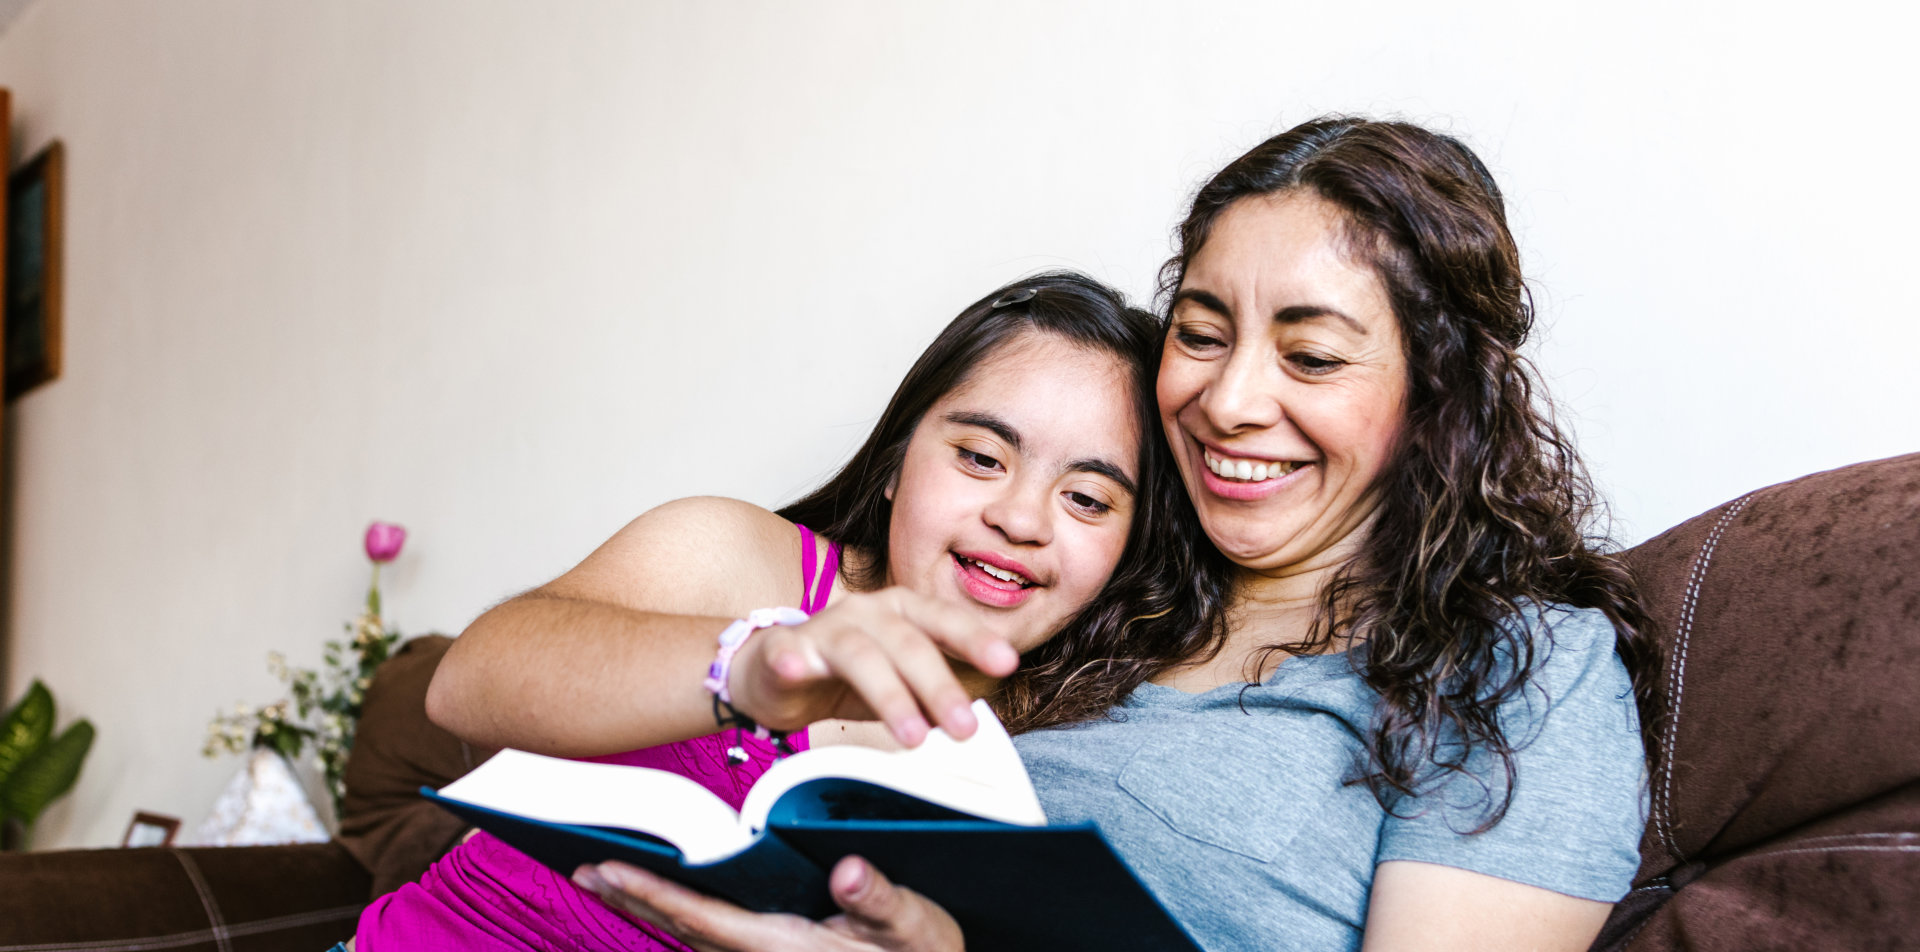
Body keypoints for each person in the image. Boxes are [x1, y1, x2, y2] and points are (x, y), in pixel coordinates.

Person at [577, 116, 1658, 952]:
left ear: (1438, 397)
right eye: (1199, 333)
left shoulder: (1520, 668)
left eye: (1311, 356)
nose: (1229, 399)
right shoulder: (1101, 583)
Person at [345, 271, 1227, 951]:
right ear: (895, 463)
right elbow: (464, 687)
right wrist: (753, 664)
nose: (1021, 519)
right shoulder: (737, 557)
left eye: (1087, 500)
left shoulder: (1079, 747)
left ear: (1124, 554)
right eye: (982, 457)